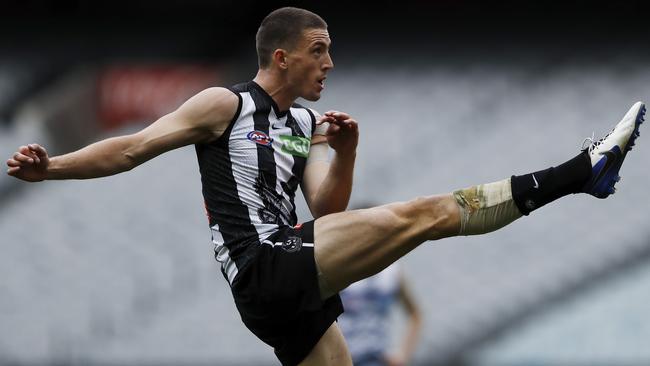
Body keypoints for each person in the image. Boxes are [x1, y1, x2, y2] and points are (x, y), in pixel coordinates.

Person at [5, 6, 645, 366]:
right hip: (262, 267)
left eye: (332, 49)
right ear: (281, 57)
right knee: (421, 215)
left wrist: (347, 149)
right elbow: (134, 147)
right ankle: (579, 173)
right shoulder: (223, 106)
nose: (330, 63)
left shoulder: (308, 124)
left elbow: (328, 209)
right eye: (318, 50)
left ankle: (584, 175)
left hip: (293, 271)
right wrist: (52, 167)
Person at [339, 262, 422, 366]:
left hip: (377, 358)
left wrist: (402, 354)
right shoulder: (341, 269)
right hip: (344, 358)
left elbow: (415, 315)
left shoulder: (392, 272)